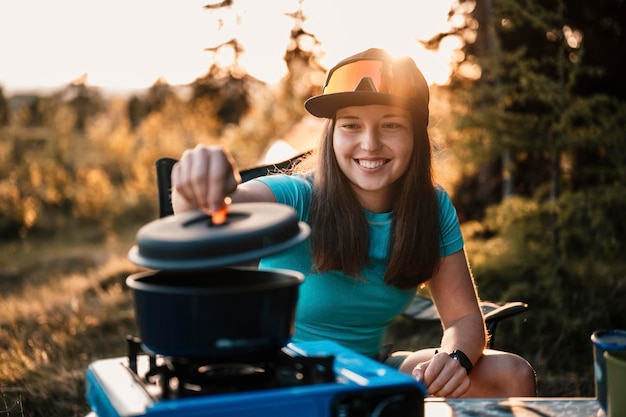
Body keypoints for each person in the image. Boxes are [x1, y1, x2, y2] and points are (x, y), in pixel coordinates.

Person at [171, 48, 537, 398]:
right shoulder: (298, 196)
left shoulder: (432, 206)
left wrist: (454, 359)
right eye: (351, 125)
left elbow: (463, 319)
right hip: (283, 374)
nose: (369, 143)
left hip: (368, 372)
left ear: (415, 137)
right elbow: (214, 213)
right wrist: (202, 187)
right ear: (332, 136)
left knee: (512, 376)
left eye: (390, 125)